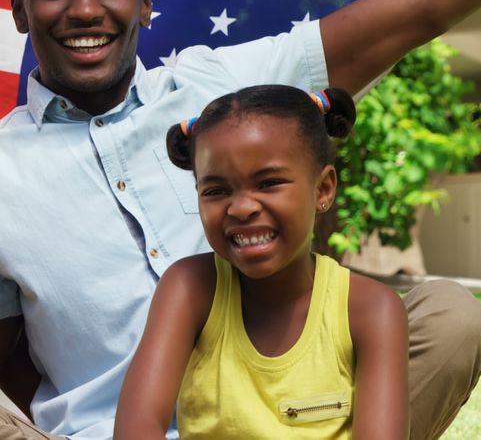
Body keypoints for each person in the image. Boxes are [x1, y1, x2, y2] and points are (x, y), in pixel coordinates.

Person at [0, 0, 481, 440]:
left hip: (287, 422)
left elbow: (422, 5)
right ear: (20, 10)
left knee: (453, 317)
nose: (85, 9)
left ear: (145, 3)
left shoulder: (224, 84)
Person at [113, 86, 408, 439]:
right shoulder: (189, 288)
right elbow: (138, 426)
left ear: (323, 189)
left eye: (268, 183)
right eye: (216, 191)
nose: (241, 208)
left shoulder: (371, 310)